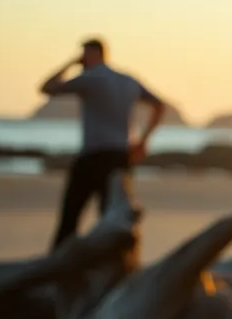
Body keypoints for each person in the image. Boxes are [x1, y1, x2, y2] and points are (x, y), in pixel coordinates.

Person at [39, 37, 167, 250]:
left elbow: (47, 87)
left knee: (71, 216)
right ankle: (113, 266)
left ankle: (58, 264)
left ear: (93, 53)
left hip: (94, 156)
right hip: (121, 156)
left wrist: (70, 64)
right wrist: (143, 141)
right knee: (113, 216)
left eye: (83, 54)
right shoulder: (128, 80)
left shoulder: (90, 78)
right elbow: (159, 105)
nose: (82, 59)